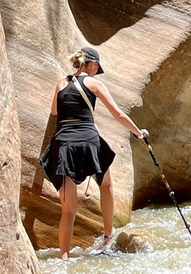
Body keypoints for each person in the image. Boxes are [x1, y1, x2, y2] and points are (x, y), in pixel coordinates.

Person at [39, 46, 148, 259]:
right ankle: (108, 235)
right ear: (93, 65)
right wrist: (138, 133)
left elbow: (54, 111)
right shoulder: (94, 83)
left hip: (64, 144)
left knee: (69, 209)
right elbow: (117, 113)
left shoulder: (61, 83)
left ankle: (64, 258)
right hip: (88, 140)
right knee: (106, 184)